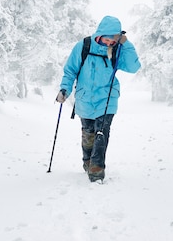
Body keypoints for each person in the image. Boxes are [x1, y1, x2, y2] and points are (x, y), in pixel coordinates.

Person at [56, 15, 141, 182]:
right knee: (88, 135)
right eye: (108, 39)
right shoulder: (84, 46)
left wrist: (125, 43)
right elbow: (70, 70)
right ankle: (87, 162)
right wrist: (64, 89)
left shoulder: (117, 50)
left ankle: (96, 172)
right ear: (100, 34)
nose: (110, 43)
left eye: (114, 40)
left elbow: (134, 67)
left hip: (107, 99)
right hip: (84, 99)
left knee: (101, 134)